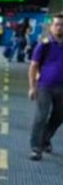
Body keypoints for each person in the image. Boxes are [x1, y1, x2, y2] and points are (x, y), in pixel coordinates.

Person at [28, 14, 63, 161]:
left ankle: (45, 139)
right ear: (51, 26)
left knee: (59, 117)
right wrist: (32, 87)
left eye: (62, 25)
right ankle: (36, 148)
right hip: (44, 86)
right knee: (41, 117)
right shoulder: (44, 44)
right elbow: (33, 66)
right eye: (56, 24)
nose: (59, 27)